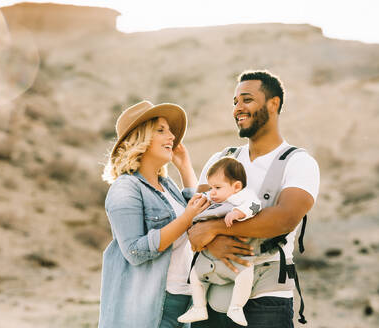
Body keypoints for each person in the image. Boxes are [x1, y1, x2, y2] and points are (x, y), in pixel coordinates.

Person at [188, 70, 320, 328]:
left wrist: (214, 228)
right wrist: (209, 242)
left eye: (246, 100)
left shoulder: (299, 162)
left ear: (274, 103)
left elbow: (283, 219)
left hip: (266, 298)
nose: (238, 108)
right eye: (235, 102)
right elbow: (193, 215)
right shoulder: (220, 159)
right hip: (214, 291)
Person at [98, 100, 210, 328]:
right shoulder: (125, 187)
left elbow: (200, 217)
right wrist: (186, 218)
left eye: (170, 131)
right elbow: (134, 251)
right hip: (151, 309)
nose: (171, 137)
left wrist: (185, 167)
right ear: (140, 139)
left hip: (184, 304)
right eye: (161, 130)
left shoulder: (167, 186)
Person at [178, 157, 263, 326]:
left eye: (217, 187)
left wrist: (238, 213)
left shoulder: (243, 197)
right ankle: (199, 307)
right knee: (195, 275)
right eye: (211, 187)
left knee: (246, 273)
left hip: (234, 260)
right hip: (208, 258)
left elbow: (255, 205)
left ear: (236, 187)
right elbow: (201, 200)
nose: (213, 192)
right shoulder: (213, 198)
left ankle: (236, 307)